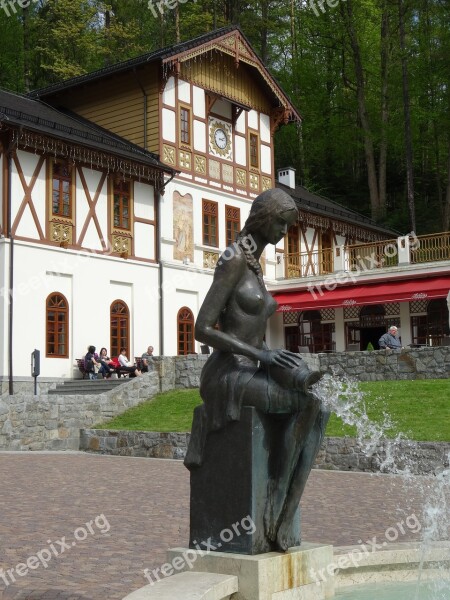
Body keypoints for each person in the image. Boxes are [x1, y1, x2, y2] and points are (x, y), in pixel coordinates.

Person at [184, 188, 329, 552]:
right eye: (281, 221)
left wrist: (274, 357)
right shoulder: (233, 259)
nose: (283, 231)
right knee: (304, 404)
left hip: (254, 365)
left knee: (320, 406)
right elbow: (202, 328)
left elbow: (252, 330)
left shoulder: (254, 265)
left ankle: (283, 506)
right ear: (263, 217)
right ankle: (277, 497)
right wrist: (262, 358)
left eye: (287, 224)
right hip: (226, 375)